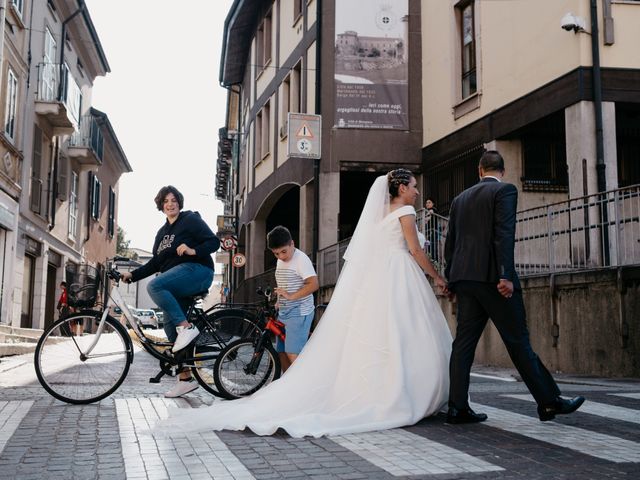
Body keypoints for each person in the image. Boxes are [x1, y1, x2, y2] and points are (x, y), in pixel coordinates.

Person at [158, 169, 452, 438]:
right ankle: (402, 391)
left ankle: (384, 389)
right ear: (401, 188)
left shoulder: (380, 216)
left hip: (378, 278)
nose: (416, 191)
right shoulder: (406, 211)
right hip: (399, 275)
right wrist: (437, 276)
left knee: (381, 334)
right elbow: (414, 249)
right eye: (413, 186)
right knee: (404, 331)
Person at [444, 150, 584, 423]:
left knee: (462, 345)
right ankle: (549, 402)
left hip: (465, 281)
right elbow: (504, 233)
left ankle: (457, 407)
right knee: (518, 341)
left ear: (479, 170)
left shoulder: (459, 199)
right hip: (495, 281)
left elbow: (451, 243)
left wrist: (451, 278)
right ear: (502, 171)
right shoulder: (505, 191)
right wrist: (506, 275)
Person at [121, 185, 220, 398]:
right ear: (161, 205)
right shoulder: (162, 233)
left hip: (198, 271)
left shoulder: (190, 220)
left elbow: (214, 242)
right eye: (166, 201)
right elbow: (156, 263)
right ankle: (185, 379)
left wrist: (193, 250)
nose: (170, 204)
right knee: (170, 331)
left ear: (179, 202)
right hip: (178, 282)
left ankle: (186, 327)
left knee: (155, 286)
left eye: (174, 200)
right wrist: (133, 275)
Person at [267, 226, 319, 372]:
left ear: (292, 244)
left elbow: (314, 284)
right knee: (281, 352)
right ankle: (287, 386)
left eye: (284, 251)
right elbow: (283, 283)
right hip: (284, 312)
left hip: (300, 312)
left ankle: (302, 388)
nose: (281, 256)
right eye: (276, 254)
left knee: (293, 353)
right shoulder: (280, 260)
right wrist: (279, 301)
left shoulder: (301, 260)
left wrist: (291, 296)